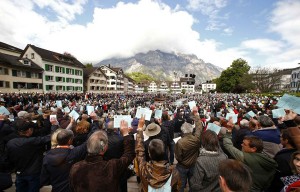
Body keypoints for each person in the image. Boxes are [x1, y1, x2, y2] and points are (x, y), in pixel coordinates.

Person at [69, 120, 135, 192]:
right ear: (105, 148)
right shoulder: (111, 166)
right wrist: (126, 134)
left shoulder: (76, 167)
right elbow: (129, 155)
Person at [135, 115, 181, 191]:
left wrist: (139, 129)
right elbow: (176, 189)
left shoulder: (144, 170)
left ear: (149, 154)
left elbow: (140, 151)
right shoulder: (174, 172)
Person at [6, 119, 50, 192]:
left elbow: (8, 158)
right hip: (33, 173)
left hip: (19, 172)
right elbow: (48, 138)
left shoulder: (11, 142)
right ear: (29, 130)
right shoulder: (32, 142)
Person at [175, 106, 203, 192]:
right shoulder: (196, 139)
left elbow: (178, 157)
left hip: (182, 166)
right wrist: (196, 115)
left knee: (181, 185)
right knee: (192, 184)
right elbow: (199, 127)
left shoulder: (180, 142)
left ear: (183, 131)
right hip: (193, 164)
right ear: (191, 130)